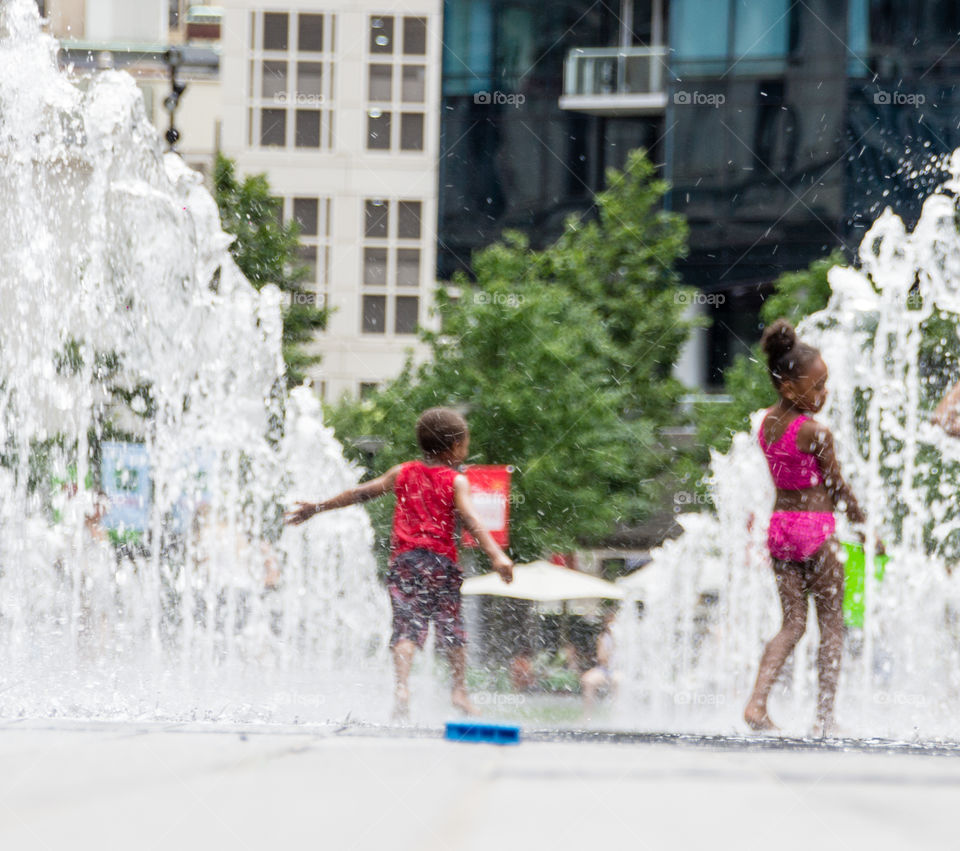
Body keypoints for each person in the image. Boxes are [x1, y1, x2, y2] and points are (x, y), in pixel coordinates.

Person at [285, 407, 514, 719]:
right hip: (441, 565)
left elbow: (361, 493)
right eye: (465, 442)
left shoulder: (403, 472)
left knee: (405, 629)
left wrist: (319, 507)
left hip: (405, 563)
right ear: (456, 446)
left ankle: (402, 687)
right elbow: (471, 520)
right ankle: (459, 690)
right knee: (452, 630)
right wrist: (497, 555)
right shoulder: (456, 481)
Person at [743, 319, 871, 738]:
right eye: (816, 387)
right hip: (815, 532)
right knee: (832, 625)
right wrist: (864, 524)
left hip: (779, 530)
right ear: (788, 388)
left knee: (792, 624)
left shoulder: (765, 425)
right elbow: (836, 486)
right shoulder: (816, 432)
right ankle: (824, 717)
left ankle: (757, 702)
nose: (824, 393)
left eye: (825, 384)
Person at [581, 601, 620, 717]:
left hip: (619, 669)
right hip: (605, 669)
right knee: (588, 680)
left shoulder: (626, 637)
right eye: (609, 620)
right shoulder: (603, 637)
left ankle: (617, 714)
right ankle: (587, 715)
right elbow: (602, 658)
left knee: (619, 681)